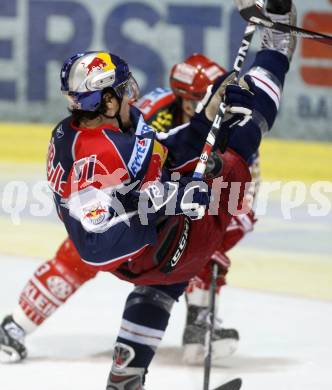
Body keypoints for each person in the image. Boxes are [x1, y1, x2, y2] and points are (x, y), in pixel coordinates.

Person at [1, 3, 297, 390]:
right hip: (151, 249)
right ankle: (278, 42)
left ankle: (127, 375)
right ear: (106, 100)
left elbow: (157, 157)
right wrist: (172, 199)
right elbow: (95, 245)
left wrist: (205, 118)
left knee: (164, 281)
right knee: (243, 137)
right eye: (123, 90)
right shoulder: (99, 157)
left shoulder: (90, 131)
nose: (131, 95)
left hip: (151, 250)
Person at [0, 57, 246, 364]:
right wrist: (176, 195)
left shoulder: (111, 122)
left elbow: (240, 200)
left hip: (137, 205)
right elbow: (106, 219)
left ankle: (198, 323)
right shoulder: (118, 134)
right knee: (76, 259)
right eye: (190, 98)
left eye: (200, 99)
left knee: (204, 244)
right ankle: (17, 324)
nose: (192, 104)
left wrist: (206, 129)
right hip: (119, 220)